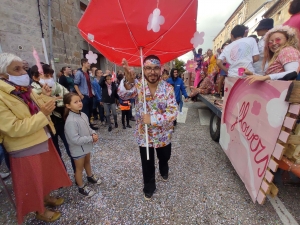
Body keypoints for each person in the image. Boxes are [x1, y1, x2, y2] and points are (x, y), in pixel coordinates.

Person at [0, 53, 72, 223]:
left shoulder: (24, 90)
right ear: (3, 75)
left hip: (41, 137)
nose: (23, 72)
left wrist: (46, 96)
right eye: (16, 69)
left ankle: (45, 198)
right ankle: (39, 210)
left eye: (23, 68)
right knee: (31, 181)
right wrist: (43, 115)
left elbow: (40, 104)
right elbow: (13, 128)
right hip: (24, 146)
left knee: (43, 175)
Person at [118, 55, 177, 200]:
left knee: (165, 156)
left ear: (160, 69)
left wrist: (153, 119)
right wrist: (127, 81)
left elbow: (173, 112)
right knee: (147, 162)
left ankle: (164, 167)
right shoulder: (138, 86)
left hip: (163, 134)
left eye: (156, 68)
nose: (152, 72)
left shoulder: (168, 88)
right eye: (149, 68)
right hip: (144, 135)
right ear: (144, 70)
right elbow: (123, 95)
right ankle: (149, 186)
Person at [31, 65, 76, 174]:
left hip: (62, 122)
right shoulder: (33, 92)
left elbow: (69, 98)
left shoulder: (58, 86)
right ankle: (61, 176)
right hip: (47, 126)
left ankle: (77, 173)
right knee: (55, 153)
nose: (50, 78)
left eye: (51, 75)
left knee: (72, 149)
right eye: (46, 76)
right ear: (36, 77)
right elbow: (38, 108)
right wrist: (54, 101)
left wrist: (58, 103)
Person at [64, 93, 101, 197]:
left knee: (87, 162)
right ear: (68, 105)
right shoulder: (70, 121)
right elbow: (74, 139)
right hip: (78, 149)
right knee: (79, 169)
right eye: (75, 102)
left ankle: (90, 176)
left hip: (86, 146)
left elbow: (88, 127)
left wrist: (93, 133)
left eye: (80, 101)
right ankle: (81, 187)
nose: (79, 103)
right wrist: (90, 138)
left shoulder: (83, 114)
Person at [74, 58, 98, 130]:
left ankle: (89, 125)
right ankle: (85, 128)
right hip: (84, 96)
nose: (89, 64)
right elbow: (75, 84)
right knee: (85, 112)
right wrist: (80, 95)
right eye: (88, 63)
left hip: (90, 95)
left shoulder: (87, 73)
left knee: (90, 112)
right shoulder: (79, 73)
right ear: (83, 63)